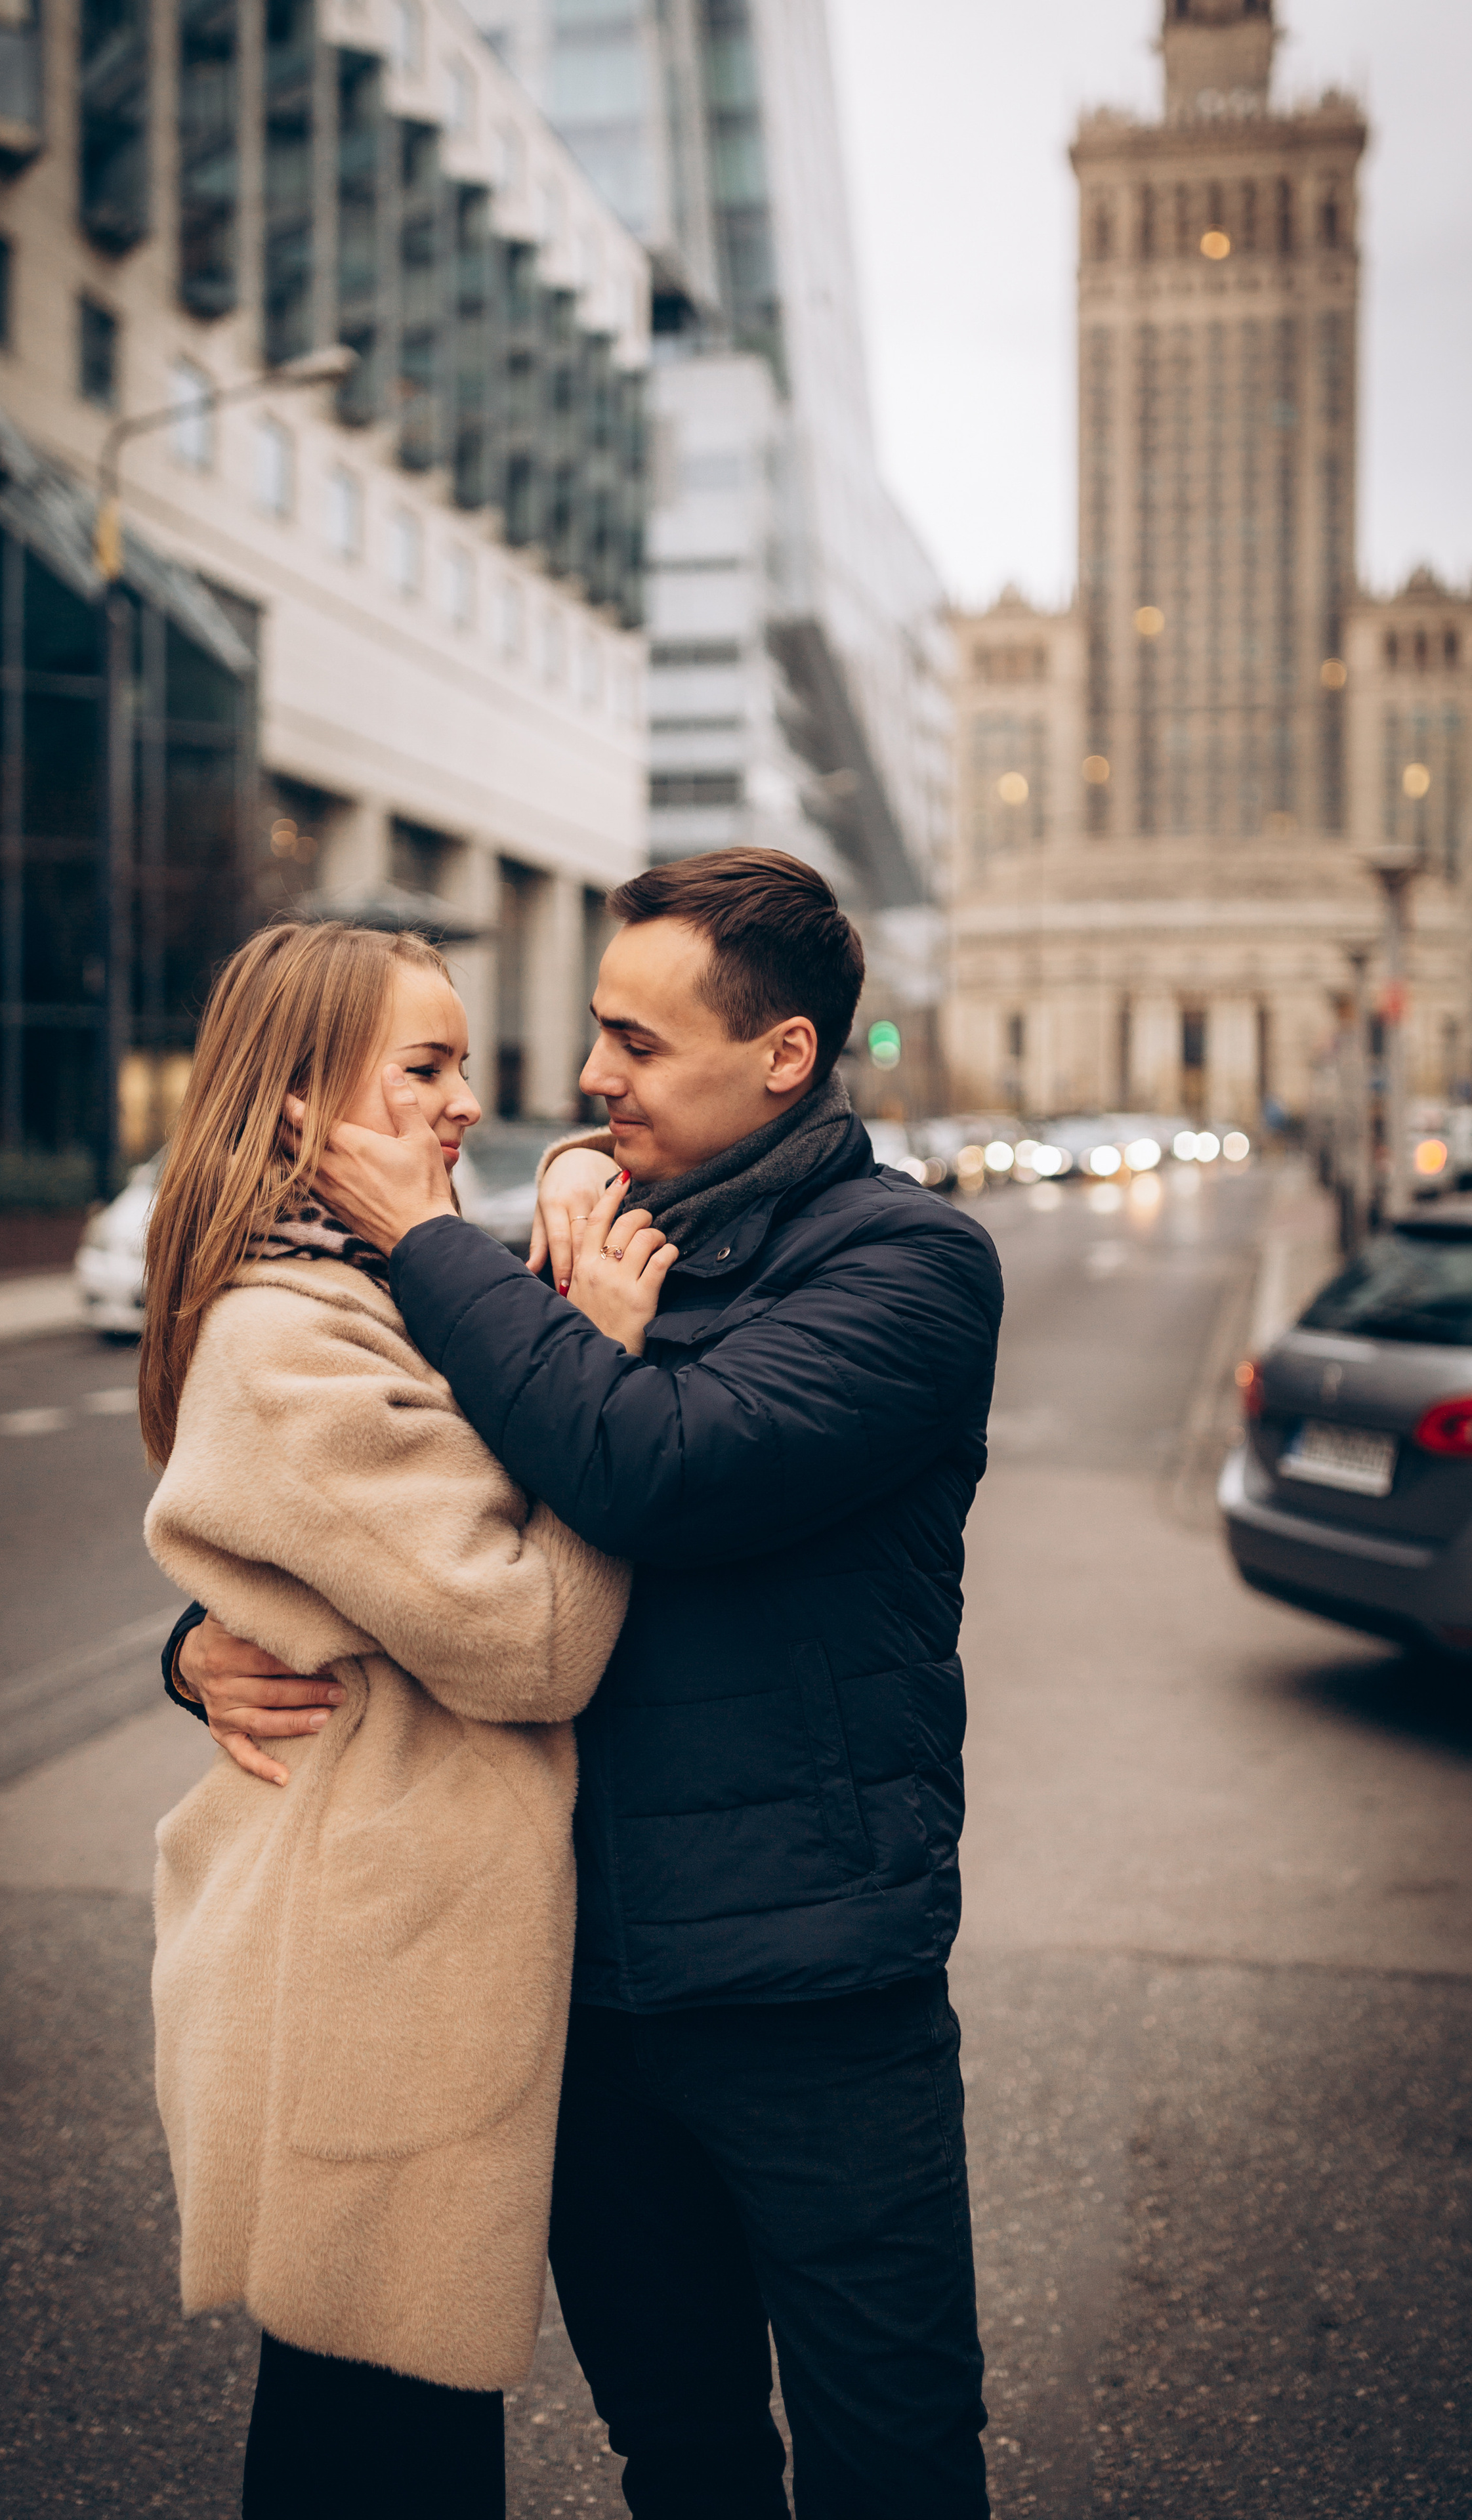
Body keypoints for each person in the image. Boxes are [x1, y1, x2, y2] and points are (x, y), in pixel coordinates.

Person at [171, 849, 1003, 2519]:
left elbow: (651, 1470)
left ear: (780, 1058)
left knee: (890, 2455)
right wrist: (205, 1645)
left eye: (633, 1043)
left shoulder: (904, 1267)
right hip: (583, 1989)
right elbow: (402, 1514)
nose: (585, 1076)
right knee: (680, 2450)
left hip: (808, 1988)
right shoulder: (578, 1244)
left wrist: (436, 1234)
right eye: (594, 1038)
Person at [139, 917, 631, 2520]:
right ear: (297, 1106)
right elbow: (538, 1639)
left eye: (464, 1066)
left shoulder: (367, 1286)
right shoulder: (293, 1339)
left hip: (394, 1946)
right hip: (373, 1971)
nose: (459, 1103)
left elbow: (511, 1271)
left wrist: (566, 1172)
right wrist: (603, 1379)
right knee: (378, 2442)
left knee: (381, 2425)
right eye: (420, 1069)